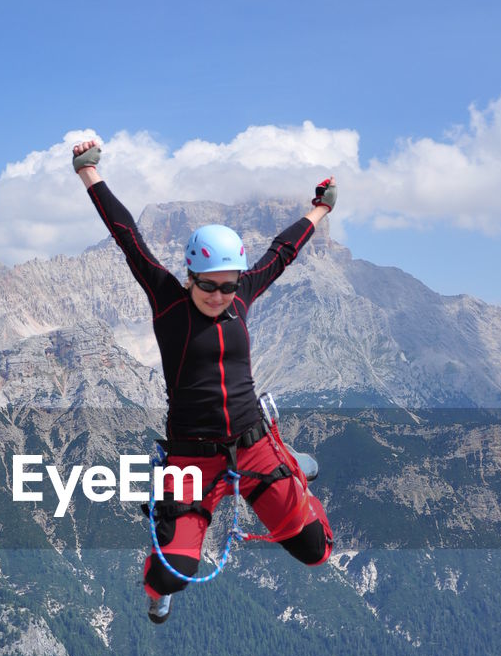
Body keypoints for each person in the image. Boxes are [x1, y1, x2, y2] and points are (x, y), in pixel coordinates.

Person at [72, 136, 335, 624]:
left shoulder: (242, 294)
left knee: (315, 550)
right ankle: (159, 584)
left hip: (254, 445)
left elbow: (281, 253)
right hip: (191, 459)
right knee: (173, 571)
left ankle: (289, 464)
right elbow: (127, 236)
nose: (219, 295)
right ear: (189, 276)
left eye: (228, 284)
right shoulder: (167, 301)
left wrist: (319, 210)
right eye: (208, 284)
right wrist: (89, 171)